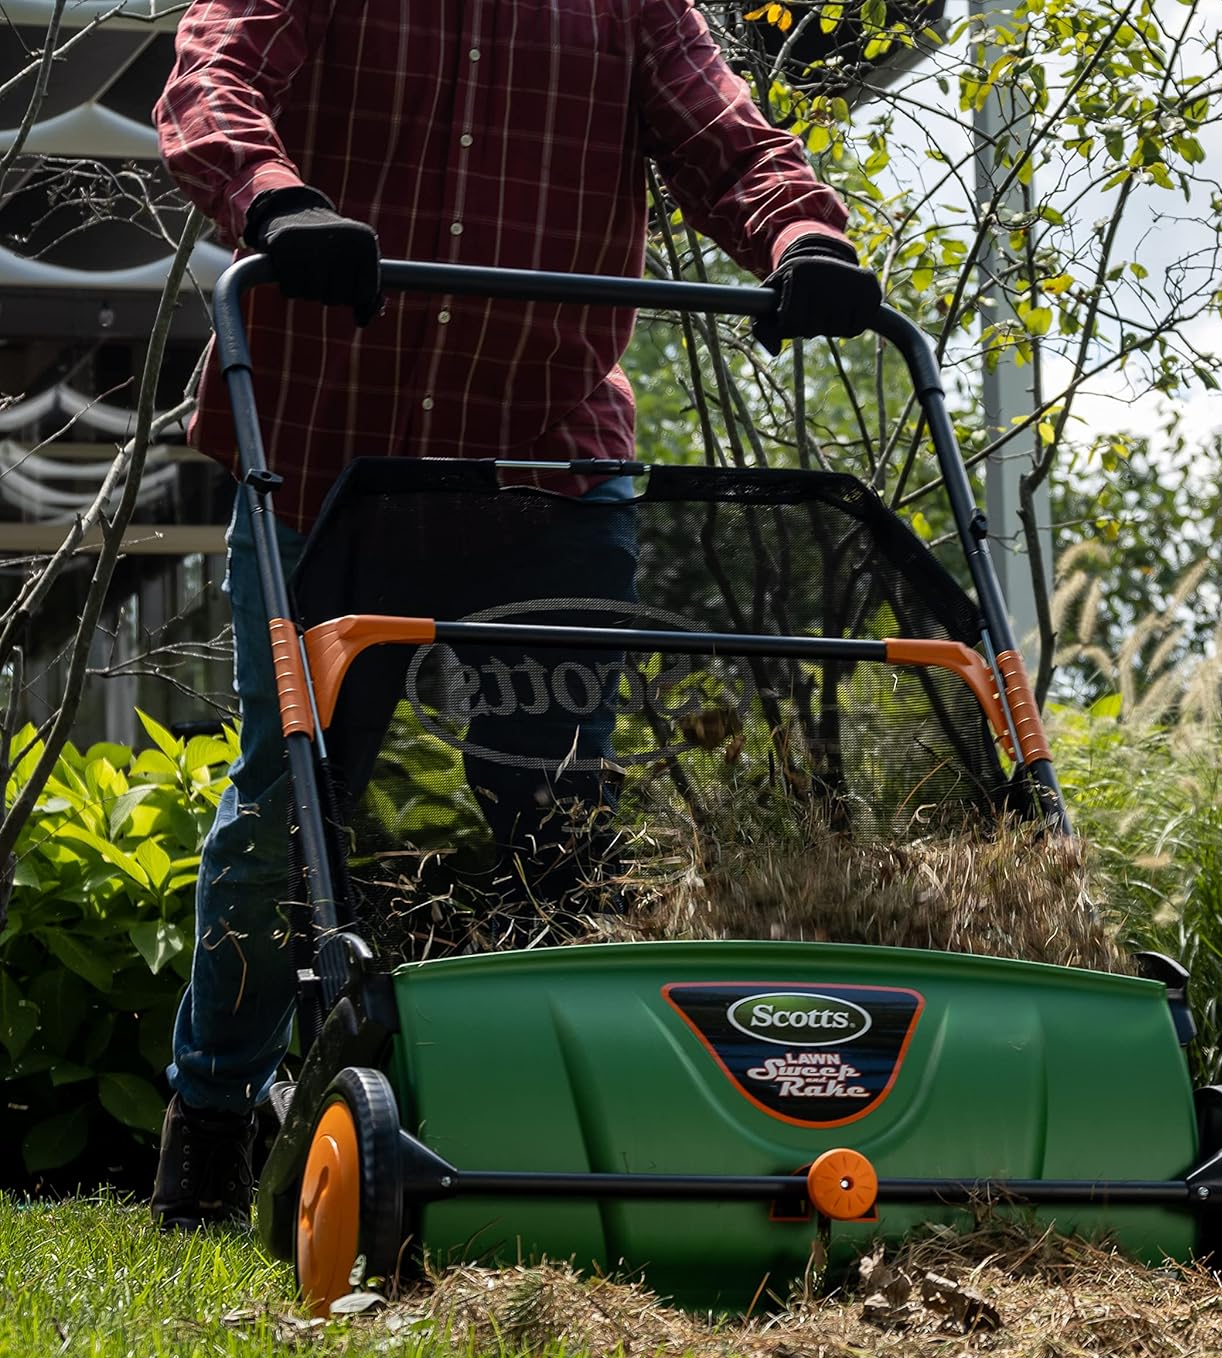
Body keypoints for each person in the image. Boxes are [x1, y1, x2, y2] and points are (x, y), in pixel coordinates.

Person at [148, 0, 882, 1229]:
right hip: (325, 467)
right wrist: (274, 201)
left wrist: (801, 235)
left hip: (547, 474)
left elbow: (728, 139)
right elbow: (210, 79)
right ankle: (214, 1118)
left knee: (558, 816)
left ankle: (555, 1129)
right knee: (289, 806)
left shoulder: (631, 8)